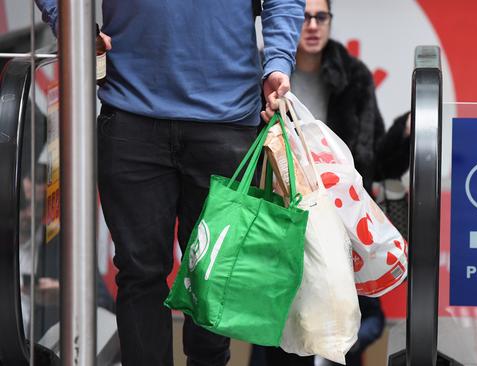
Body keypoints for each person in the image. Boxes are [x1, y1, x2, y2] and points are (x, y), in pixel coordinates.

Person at [34, 1, 305, 365]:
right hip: (132, 112)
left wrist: (278, 61)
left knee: (213, 272)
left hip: (226, 118)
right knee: (139, 273)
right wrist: (68, 24)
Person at [262, 0, 409, 365]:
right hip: (282, 214)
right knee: (281, 326)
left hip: (337, 219)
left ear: (330, 22)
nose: (312, 25)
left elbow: (373, 154)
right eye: (304, 16)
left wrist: (407, 133)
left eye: (320, 17)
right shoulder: (262, 75)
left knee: (342, 320)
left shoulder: (353, 75)